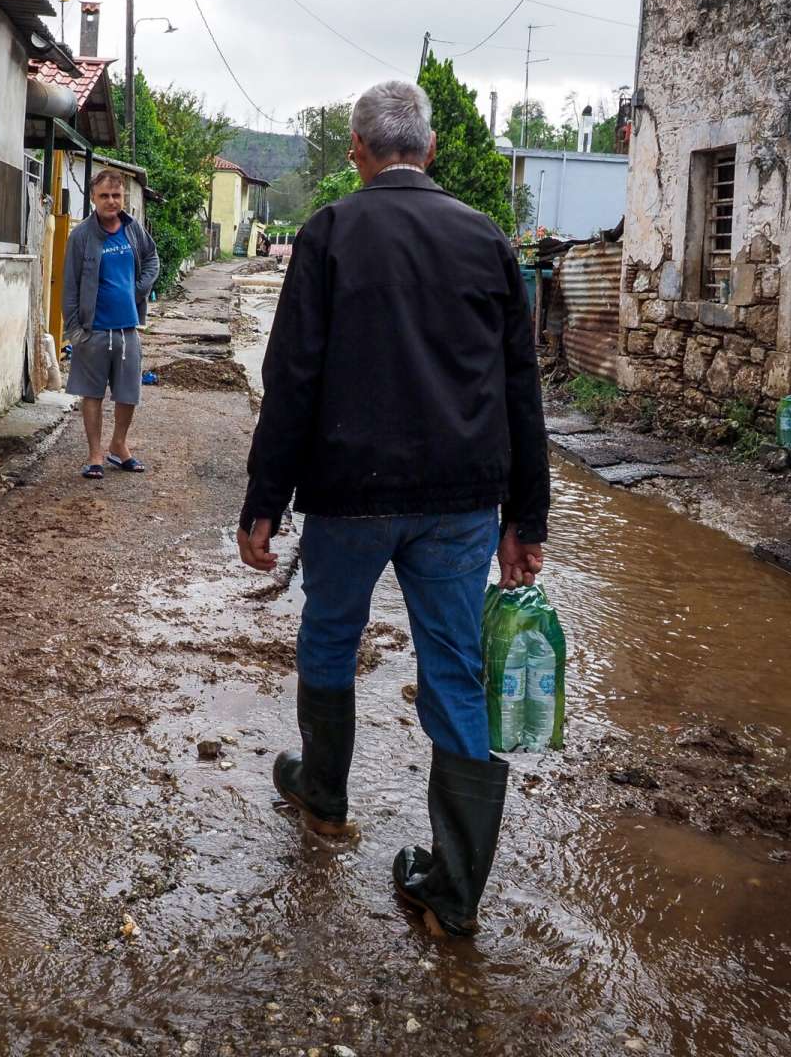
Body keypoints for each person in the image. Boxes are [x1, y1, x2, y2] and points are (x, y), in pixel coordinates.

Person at [235, 79, 549, 939]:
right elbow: (523, 391)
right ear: (432, 150)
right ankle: (453, 889)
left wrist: (264, 502)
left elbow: (291, 380)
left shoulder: (330, 232)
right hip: (461, 504)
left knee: (330, 633)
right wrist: (529, 519)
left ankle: (325, 795)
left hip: (350, 496)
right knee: (454, 668)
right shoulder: (488, 239)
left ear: (357, 151)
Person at [62, 168, 160, 479]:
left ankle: (119, 446)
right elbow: (70, 286)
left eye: (116, 196)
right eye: (104, 196)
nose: (111, 201)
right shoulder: (80, 236)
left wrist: (138, 289)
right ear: (93, 198)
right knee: (91, 393)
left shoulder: (133, 230)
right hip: (94, 330)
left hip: (127, 328)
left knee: (127, 392)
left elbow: (152, 259)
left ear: (123, 198)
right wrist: (76, 332)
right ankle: (95, 455)